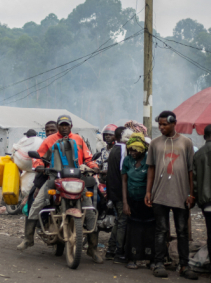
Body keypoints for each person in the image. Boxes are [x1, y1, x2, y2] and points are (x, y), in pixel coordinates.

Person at [17, 115, 103, 263]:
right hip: (54, 179)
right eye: (61, 125)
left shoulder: (78, 139)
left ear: (71, 126)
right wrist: (40, 166)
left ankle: (92, 248)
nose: (64, 127)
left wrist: (94, 167)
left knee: (89, 210)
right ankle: (28, 238)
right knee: (37, 204)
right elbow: (38, 157)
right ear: (58, 126)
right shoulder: (49, 140)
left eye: (66, 125)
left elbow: (88, 158)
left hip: (77, 179)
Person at [145, 111, 198, 280]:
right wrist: (148, 191)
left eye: (164, 124)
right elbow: (151, 168)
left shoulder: (186, 143)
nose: (160, 127)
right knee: (161, 230)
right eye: (159, 124)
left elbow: (191, 170)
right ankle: (159, 263)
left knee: (182, 231)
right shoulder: (154, 143)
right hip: (160, 194)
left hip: (181, 194)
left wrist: (191, 193)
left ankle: (184, 265)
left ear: (174, 123)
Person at [121, 133, 154, 269]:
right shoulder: (127, 161)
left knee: (149, 229)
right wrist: (125, 203)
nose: (133, 153)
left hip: (147, 201)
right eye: (131, 150)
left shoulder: (149, 160)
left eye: (136, 150)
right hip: (132, 201)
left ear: (143, 150)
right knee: (133, 230)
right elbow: (124, 182)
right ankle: (132, 258)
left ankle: (150, 260)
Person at [105, 126, 129, 262]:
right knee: (122, 222)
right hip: (120, 192)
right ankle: (119, 252)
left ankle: (110, 249)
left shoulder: (114, 149)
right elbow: (122, 173)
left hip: (113, 191)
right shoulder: (122, 150)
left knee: (119, 221)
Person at [192, 124, 211, 276]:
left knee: (210, 234)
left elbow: (195, 183)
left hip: (207, 204)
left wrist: (198, 199)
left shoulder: (198, 155)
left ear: (204, 136)